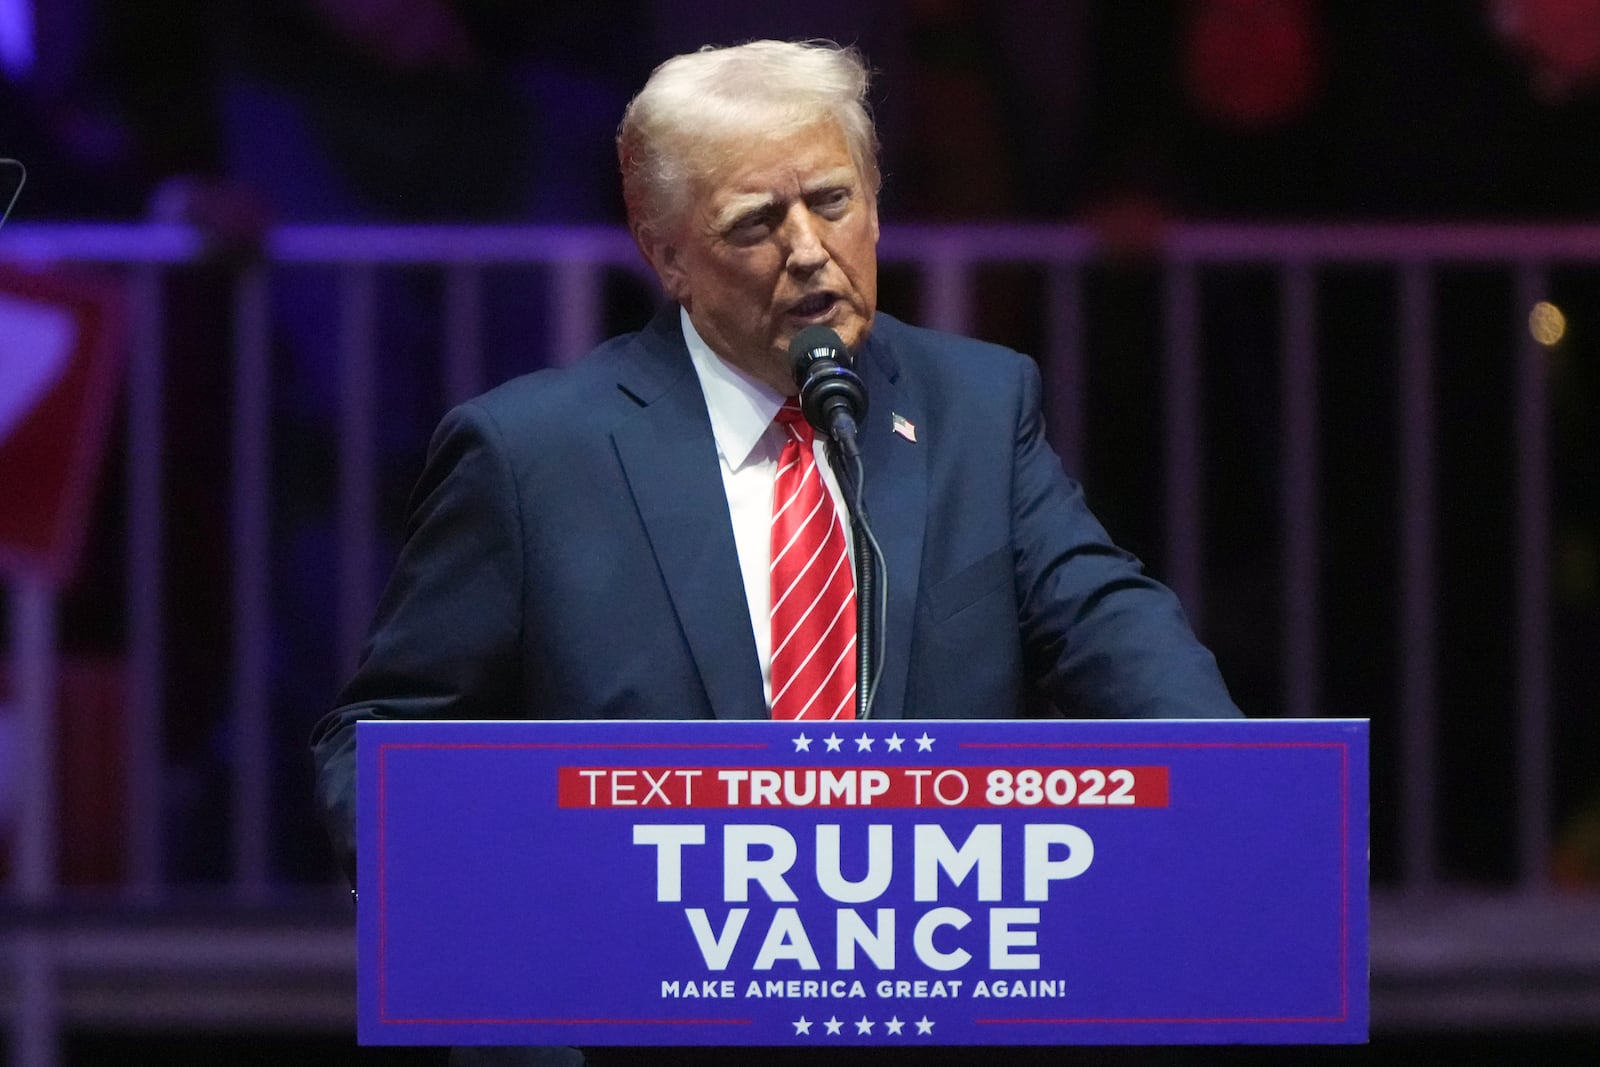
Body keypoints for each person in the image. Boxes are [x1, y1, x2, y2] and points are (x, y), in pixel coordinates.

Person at [310, 39, 1241, 1067]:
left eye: (833, 201)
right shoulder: (533, 453)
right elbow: (382, 736)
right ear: (664, 252)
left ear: (878, 205)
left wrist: (1232, 790)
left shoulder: (977, 406)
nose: (808, 248)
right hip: (620, 1033)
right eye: (756, 222)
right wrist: (491, 914)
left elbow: (1101, 612)